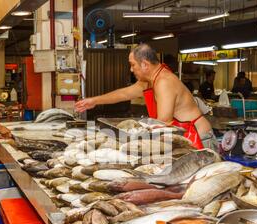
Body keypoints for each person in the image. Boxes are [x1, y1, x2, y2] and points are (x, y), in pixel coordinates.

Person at [75, 43, 217, 151]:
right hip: (183, 135)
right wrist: (94, 101)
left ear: (145, 65)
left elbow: (163, 122)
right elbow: (125, 93)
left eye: (133, 65)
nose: (131, 69)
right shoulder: (150, 80)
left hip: (198, 137)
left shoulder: (163, 82)